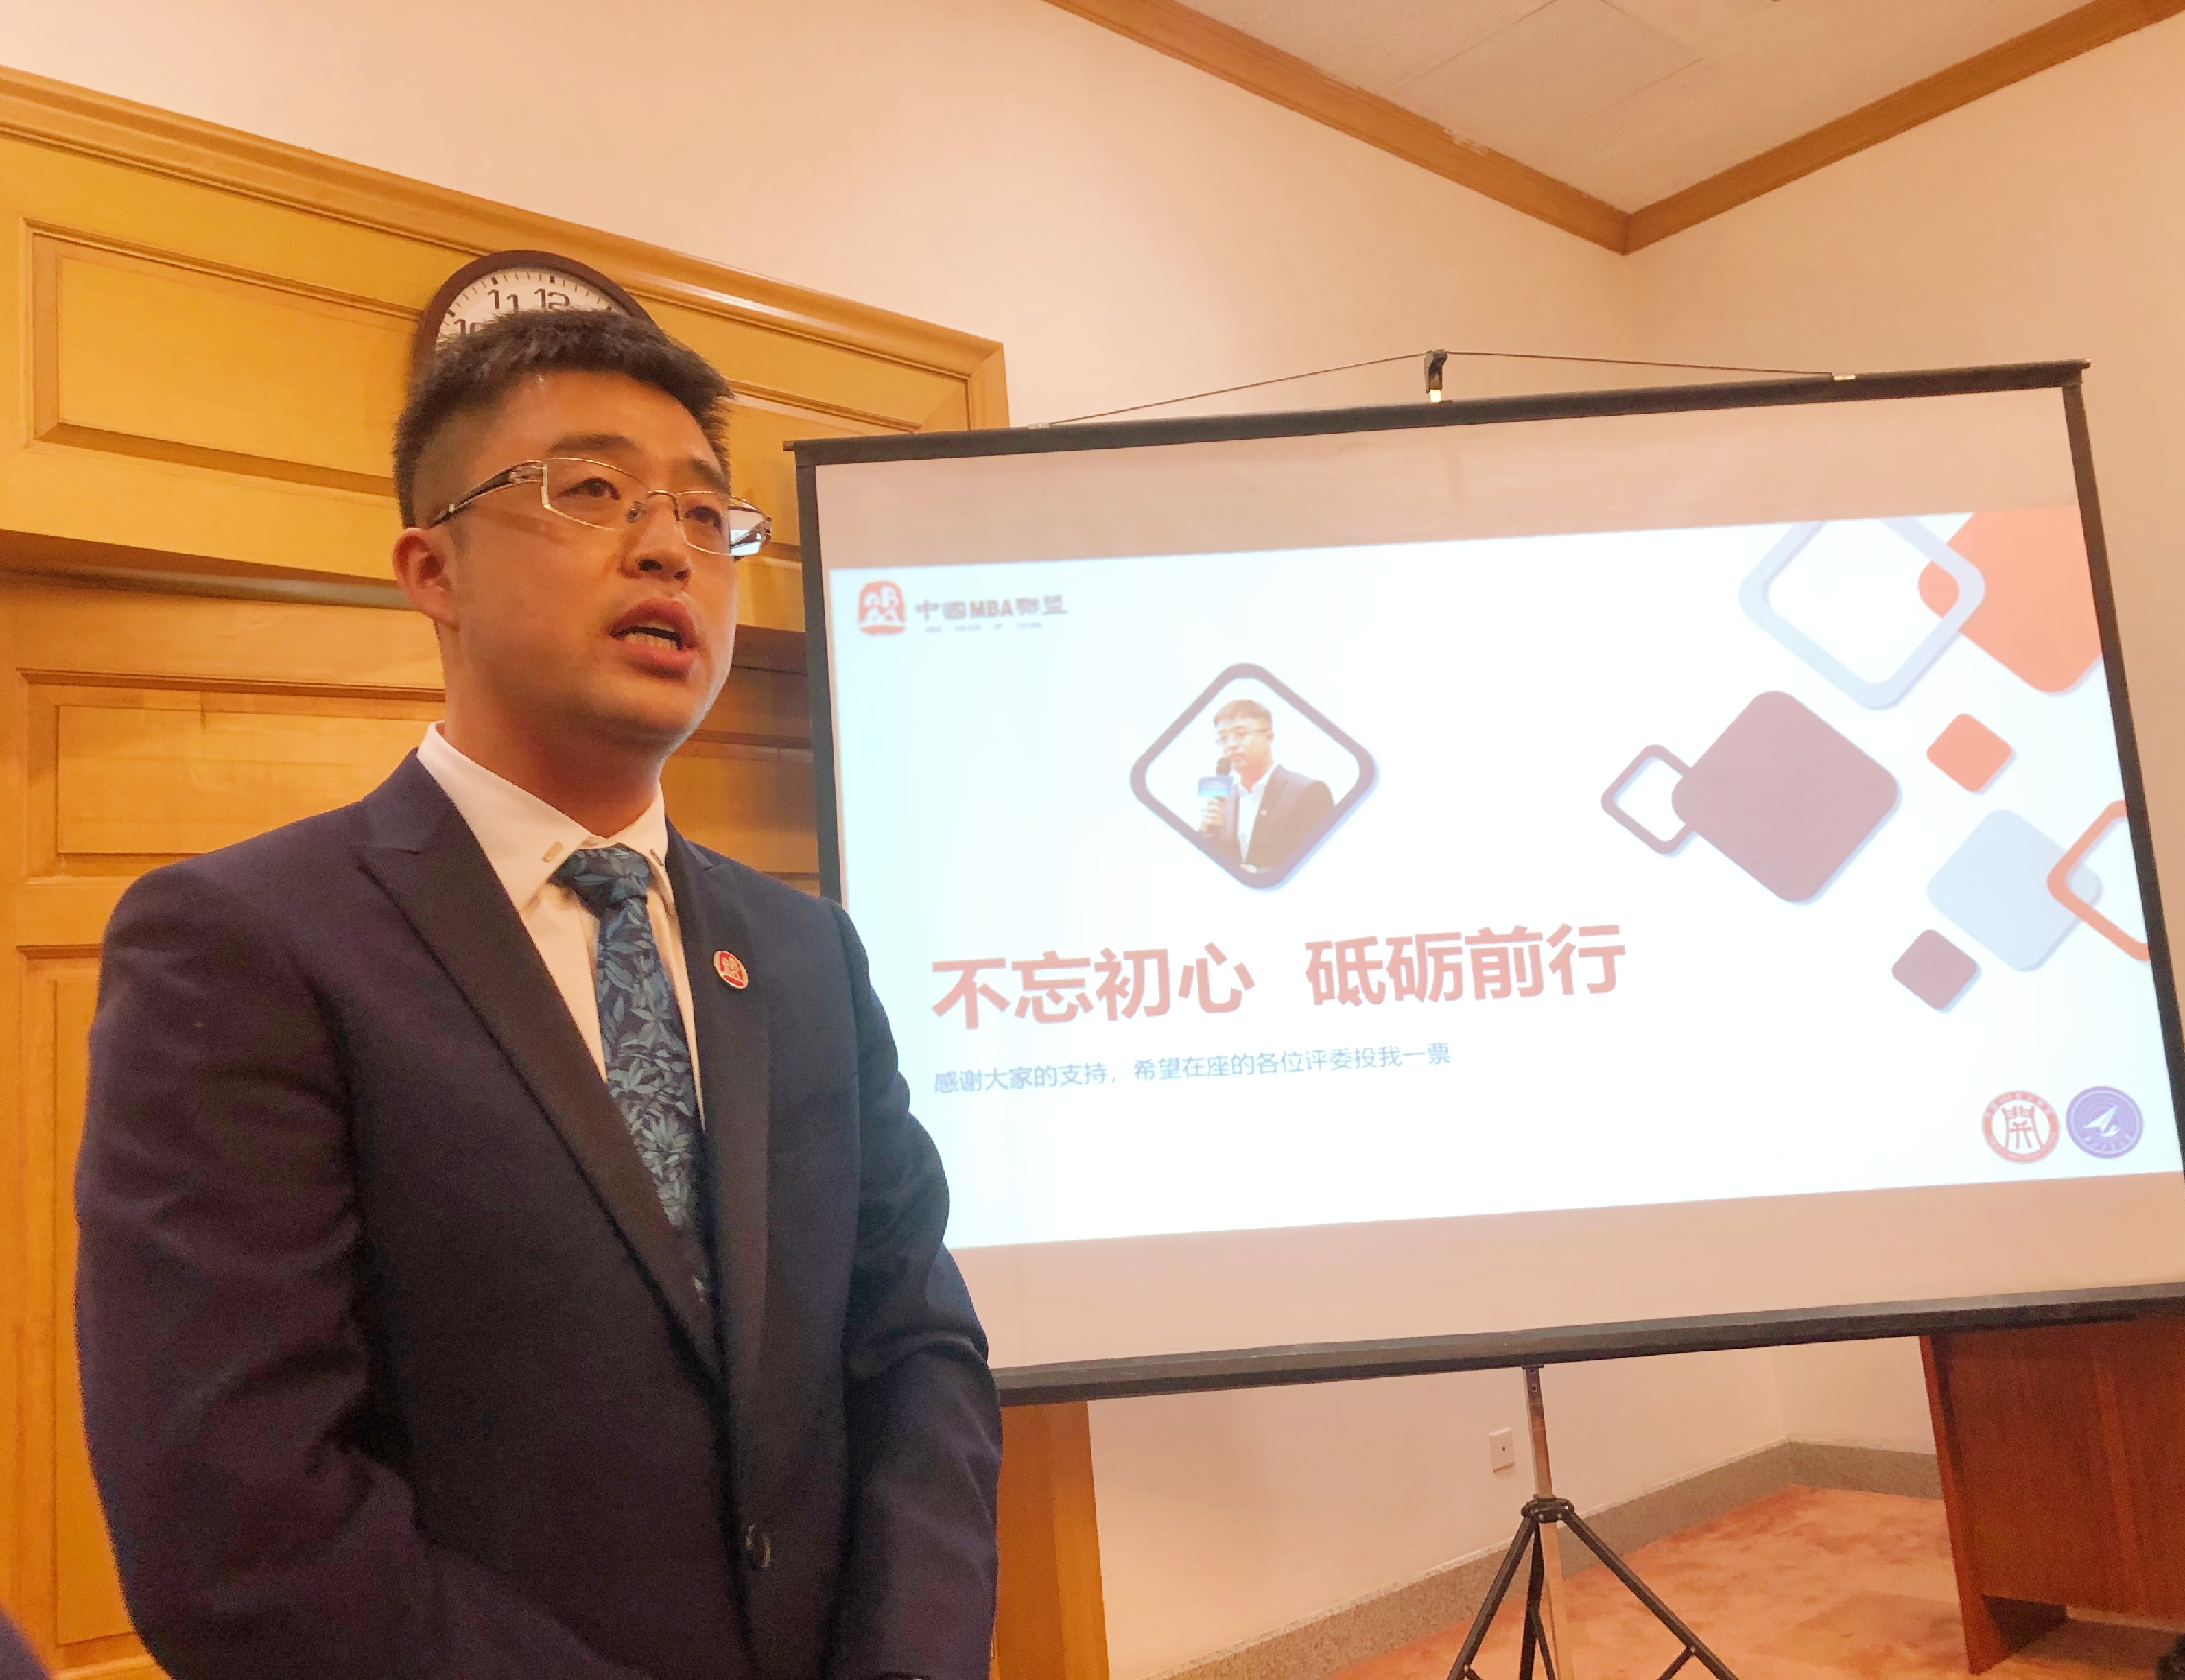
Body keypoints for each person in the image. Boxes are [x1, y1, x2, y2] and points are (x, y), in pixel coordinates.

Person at [74, 310, 998, 1680]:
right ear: (431, 568)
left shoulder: (806, 951)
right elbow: (241, 1528)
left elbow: (913, 1341)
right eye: (594, 488)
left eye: (706, 512)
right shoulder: (243, 942)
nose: (668, 545)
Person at [1196, 697, 1335, 873]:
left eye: (1241, 734)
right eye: (1223, 738)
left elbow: (1325, 861)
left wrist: (1259, 876)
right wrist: (1206, 834)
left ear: (1268, 737)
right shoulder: (1224, 801)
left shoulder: (1308, 791)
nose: (1231, 745)